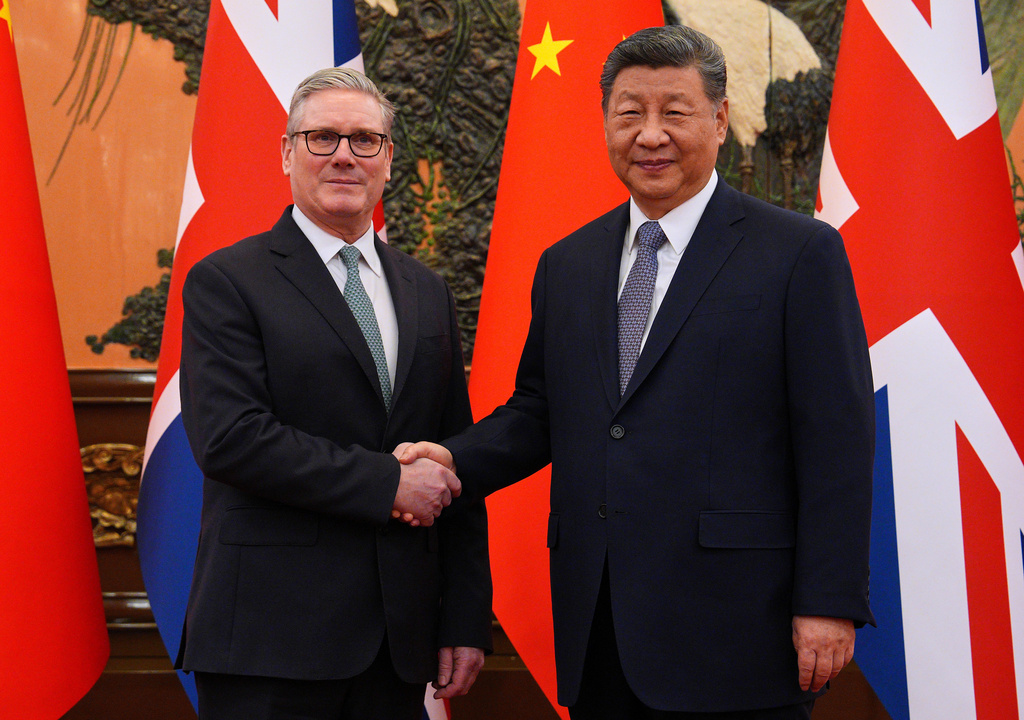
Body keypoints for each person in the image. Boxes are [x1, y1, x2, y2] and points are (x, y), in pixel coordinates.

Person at [400, 25, 875, 720]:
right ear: (606, 125)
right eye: (630, 113)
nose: (650, 134)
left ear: (718, 121)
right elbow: (538, 410)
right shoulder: (568, 263)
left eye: (674, 112)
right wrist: (450, 458)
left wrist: (829, 601)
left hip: (742, 628)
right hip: (601, 626)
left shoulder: (798, 254)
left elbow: (838, 438)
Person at [175, 67, 492, 720]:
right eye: (322, 138)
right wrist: (387, 485)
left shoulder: (425, 291)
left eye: (364, 140)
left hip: (398, 645)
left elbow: (450, 455)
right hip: (270, 642)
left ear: (388, 159)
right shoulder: (227, 280)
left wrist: (464, 614)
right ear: (287, 153)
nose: (344, 155)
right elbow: (231, 440)